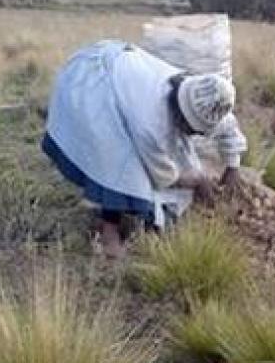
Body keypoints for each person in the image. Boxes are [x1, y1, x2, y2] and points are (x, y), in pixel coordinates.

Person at [42, 39, 246, 258]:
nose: (192, 134)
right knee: (121, 169)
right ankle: (107, 233)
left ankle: (132, 218)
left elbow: (228, 127)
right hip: (91, 84)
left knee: (165, 161)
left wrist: (233, 167)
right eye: (190, 128)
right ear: (180, 112)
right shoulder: (150, 122)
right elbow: (162, 175)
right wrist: (199, 180)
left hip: (122, 71)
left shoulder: (207, 96)